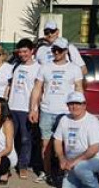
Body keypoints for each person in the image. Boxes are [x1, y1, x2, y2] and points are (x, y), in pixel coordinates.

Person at [29, 37, 84, 183]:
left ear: (66, 51)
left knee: (66, 146)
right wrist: (33, 109)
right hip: (47, 110)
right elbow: (37, 88)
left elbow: (79, 89)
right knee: (45, 145)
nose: (57, 52)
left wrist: (80, 110)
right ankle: (46, 173)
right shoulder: (45, 67)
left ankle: (62, 172)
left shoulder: (74, 68)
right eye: (54, 49)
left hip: (66, 113)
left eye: (60, 50)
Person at [54, 92, 99, 188]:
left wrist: (74, 162)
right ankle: (88, 178)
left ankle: (94, 185)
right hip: (72, 163)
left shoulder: (92, 122)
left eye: (78, 103)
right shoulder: (64, 119)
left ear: (84, 105)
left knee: (80, 168)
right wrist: (61, 159)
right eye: (71, 104)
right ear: (67, 105)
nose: (74, 107)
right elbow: (57, 141)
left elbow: (94, 149)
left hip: (94, 159)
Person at [6, 38, 41, 179]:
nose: (22, 54)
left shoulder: (38, 68)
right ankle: (7, 163)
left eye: (25, 51)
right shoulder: (15, 65)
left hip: (27, 108)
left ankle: (23, 166)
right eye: (20, 52)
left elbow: (40, 90)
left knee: (26, 139)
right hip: (12, 107)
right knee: (10, 137)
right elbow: (9, 86)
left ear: (32, 51)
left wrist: (35, 109)